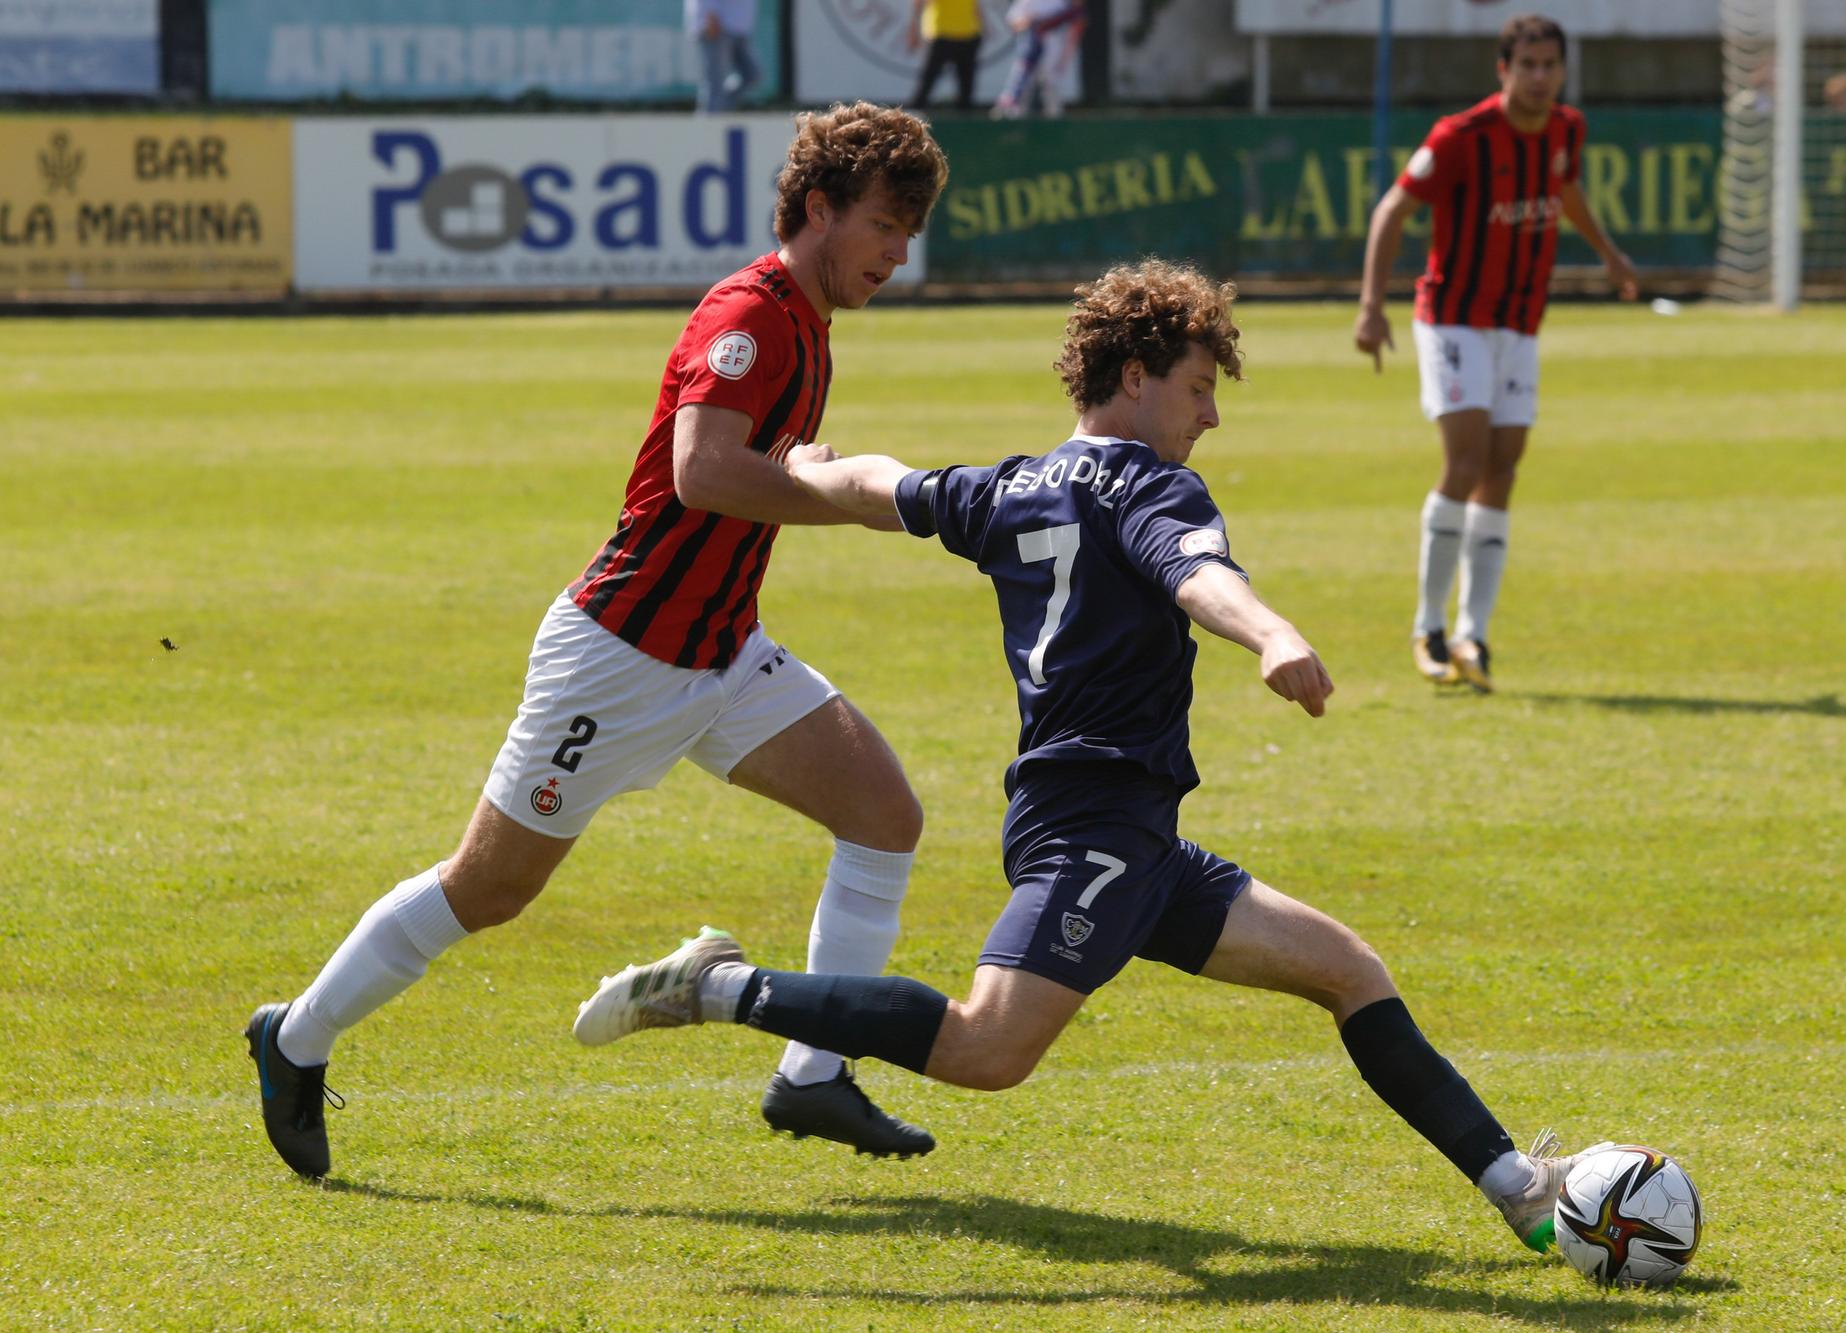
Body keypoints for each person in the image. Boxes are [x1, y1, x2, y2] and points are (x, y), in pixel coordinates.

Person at [573, 259, 1581, 1256]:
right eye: (1197, 389)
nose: (1210, 418)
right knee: (985, 1047)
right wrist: (1268, 632)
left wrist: (804, 470)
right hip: (1092, 829)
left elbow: (886, 486)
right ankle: (711, 984)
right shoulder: (1151, 485)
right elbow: (1193, 574)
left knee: (1346, 969)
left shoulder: (1012, 486)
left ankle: (1515, 1188)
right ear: (1134, 377)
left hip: (1127, 833)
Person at [245, 103, 951, 1179]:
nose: (901, 252)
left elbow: (751, 466)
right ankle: (293, 1037)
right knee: (488, 890)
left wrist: (808, 465)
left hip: (720, 653)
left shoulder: (807, 322)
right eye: (887, 226)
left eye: (910, 231)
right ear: (819, 208)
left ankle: (811, 1076)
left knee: (883, 815)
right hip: (618, 658)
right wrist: (849, 498)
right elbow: (701, 471)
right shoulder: (753, 314)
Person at [1353, 13, 1637, 692]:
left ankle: (1472, 634)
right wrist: (1371, 305)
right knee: (1467, 459)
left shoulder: (1566, 129)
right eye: (1528, 65)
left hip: (1519, 322)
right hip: (1453, 318)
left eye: (1550, 65)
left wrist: (1609, 255)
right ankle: (1428, 626)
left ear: (1562, 71)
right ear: (1503, 70)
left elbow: (1564, 188)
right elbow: (1392, 209)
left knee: (1505, 466)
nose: (1540, 77)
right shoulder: (1461, 137)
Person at [992, 0, 1086, 120]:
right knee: (1022, 84)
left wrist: (1064, 57)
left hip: (1052, 47)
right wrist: (1030, 22)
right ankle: (1015, 124)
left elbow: (1075, 22)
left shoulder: (1061, 3)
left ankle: (1055, 123)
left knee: (1051, 85)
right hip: (1029, 46)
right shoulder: (1026, 2)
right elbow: (1014, 23)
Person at [908, 0, 983, 112]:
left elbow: (975, 4)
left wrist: (981, 24)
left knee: (966, 87)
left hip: (968, 33)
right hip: (940, 32)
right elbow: (919, 3)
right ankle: (913, 119)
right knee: (927, 82)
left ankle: (965, 122)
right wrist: (913, 28)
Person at [688, 0, 761, 113]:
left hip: (739, 28)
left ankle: (718, 111)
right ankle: (708, 123)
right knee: (715, 84)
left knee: (752, 74)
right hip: (717, 25)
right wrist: (710, 16)